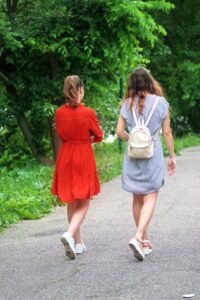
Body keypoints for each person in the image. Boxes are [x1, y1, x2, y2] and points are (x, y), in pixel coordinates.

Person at [116, 67, 176, 261]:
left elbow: (119, 132)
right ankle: (138, 236)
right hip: (152, 154)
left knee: (137, 198)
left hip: (133, 156)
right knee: (151, 196)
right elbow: (167, 133)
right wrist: (172, 156)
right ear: (150, 81)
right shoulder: (161, 103)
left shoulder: (127, 103)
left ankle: (144, 242)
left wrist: (132, 140)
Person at [52, 75, 103, 259]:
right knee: (85, 200)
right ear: (80, 90)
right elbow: (98, 135)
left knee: (72, 200)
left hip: (66, 155)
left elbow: (61, 133)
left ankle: (77, 243)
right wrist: (92, 137)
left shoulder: (58, 113)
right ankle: (69, 234)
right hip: (83, 155)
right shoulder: (88, 112)